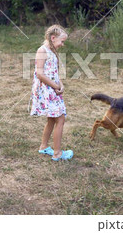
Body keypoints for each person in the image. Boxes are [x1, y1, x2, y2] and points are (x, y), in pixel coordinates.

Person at [30, 24, 73, 161]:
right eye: (62, 41)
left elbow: (53, 72)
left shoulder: (52, 51)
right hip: (47, 90)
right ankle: (57, 153)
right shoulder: (42, 51)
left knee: (51, 119)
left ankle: (43, 147)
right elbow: (40, 74)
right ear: (53, 38)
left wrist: (60, 84)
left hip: (53, 88)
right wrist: (55, 86)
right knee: (60, 119)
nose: (62, 44)